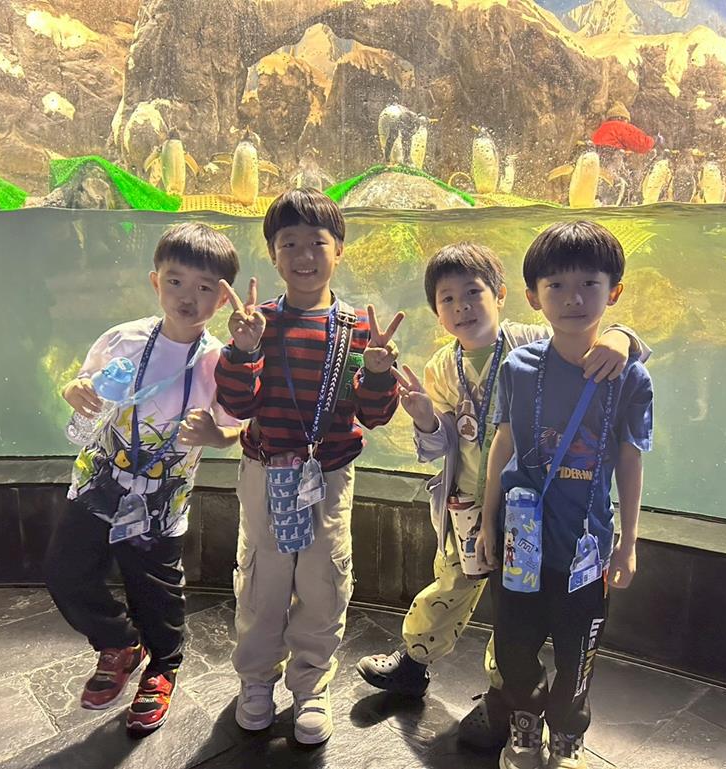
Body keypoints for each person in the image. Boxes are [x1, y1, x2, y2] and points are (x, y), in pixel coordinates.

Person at [355, 243, 647, 750]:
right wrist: (424, 418)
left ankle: (503, 697)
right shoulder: (441, 367)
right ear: (436, 312)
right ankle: (416, 659)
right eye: (448, 299)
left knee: (511, 611)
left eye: (474, 293)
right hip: (470, 502)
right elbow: (440, 444)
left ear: (505, 295)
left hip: (530, 509)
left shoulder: (527, 341)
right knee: (453, 584)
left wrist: (623, 335)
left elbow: (585, 333)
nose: (463, 307)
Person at [215, 187, 402, 744]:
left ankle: (311, 684)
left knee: (324, 579)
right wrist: (243, 351)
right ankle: (256, 679)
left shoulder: (356, 327)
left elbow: (374, 415)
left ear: (338, 249)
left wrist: (377, 374)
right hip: (266, 470)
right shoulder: (259, 323)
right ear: (273, 254)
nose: (303, 255)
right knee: (262, 579)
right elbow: (238, 405)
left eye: (316, 242)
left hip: (329, 475)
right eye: (288, 243)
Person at [45, 223, 243, 734]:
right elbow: (83, 386)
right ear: (155, 281)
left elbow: (235, 429)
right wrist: (72, 391)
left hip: (161, 500)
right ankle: (118, 643)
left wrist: (215, 436)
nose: (187, 297)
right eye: (175, 281)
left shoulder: (219, 363)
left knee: (156, 590)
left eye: (204, 287)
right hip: (98, 484)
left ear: (223, 298)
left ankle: (163, 666)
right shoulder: (122, 339)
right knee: (65, 573)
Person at [477, 221, 653, 769]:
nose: (573, 298)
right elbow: (503, 442)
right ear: (533, 296)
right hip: (519, 541)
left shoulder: (630, 378)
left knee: (580, 654)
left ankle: (567, 736)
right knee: (513, 644)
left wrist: (629, 542)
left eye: (588, 284)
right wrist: (486, 523)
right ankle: (524, 726)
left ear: (613, 291)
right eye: (556, 285)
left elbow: (631, 458)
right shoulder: (518, 367)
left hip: (587, 546)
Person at [591, 102, 655, 155]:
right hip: (611, 154)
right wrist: (651, 142)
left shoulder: (603, 127)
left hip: (595, 153)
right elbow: (639, 143)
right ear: (622, 118)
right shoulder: (621, 126)